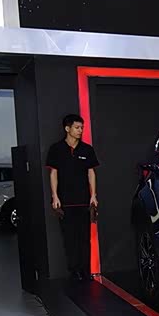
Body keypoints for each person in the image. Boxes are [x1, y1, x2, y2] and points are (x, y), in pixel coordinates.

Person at [46, 114, 99, 281]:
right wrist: (55, 196)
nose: (80, 130)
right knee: (69, 238)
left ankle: (85, 270)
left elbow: (91, 173)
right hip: (65, 201)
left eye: (82, 127)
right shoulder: (56, 149)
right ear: (67, 128)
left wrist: (93, 195)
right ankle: (74, 270)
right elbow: (53, 173)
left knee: (84, 238)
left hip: (84, 201)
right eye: (77, 127)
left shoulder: (87, 149)